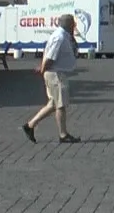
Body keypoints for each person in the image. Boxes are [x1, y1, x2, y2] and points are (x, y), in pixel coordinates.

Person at [21, 14, 79, 144]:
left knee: (53, 103)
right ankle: (63, 134)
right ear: (69, 25)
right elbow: (51, 56)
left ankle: (30, 125)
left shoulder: (63, 36)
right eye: (73, 24)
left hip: (56, 72)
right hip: (56, 73)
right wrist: (43, 69)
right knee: (61, 104)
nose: (74, 27)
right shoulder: (59, 37)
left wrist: (42, 67)